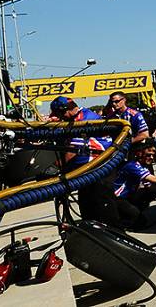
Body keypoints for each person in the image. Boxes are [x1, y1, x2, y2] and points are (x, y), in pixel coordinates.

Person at [48, 96, 119, 225]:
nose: (60, 118)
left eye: (59, 114)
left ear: (65, 110)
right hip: (88, 169)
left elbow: (72, 150)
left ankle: (116, 233)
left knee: (103, 204)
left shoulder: (84, 119)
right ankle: (91, 232)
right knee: (86, 203)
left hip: (101, 168)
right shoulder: (77, 117)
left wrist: (53, 169)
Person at [113, 140, 156, 229]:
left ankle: (133, 211)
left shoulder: (143, 166)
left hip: (127, 196)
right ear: (139, 154)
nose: (151, 158)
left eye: (153, 155)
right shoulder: (132, 166)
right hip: (116, 198)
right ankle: (120, 220)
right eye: (148, 155)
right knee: (137, 219)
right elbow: (155, 179)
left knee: (154, 189)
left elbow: (149, 184)